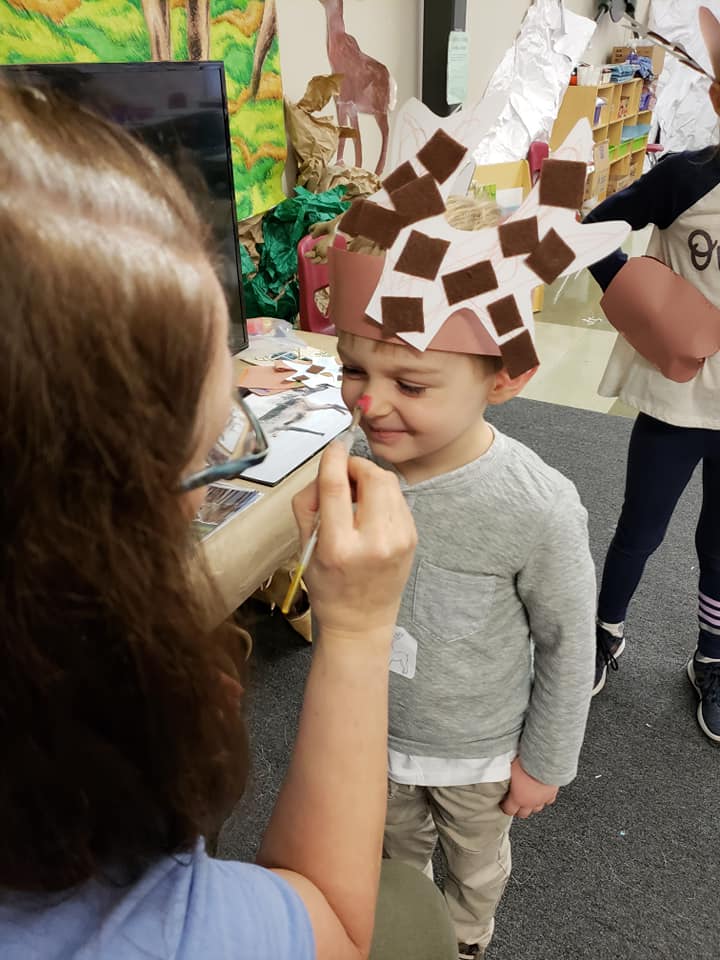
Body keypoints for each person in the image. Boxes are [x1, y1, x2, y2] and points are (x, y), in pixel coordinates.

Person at [0, 82, 462, 960]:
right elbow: (331, 918)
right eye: (212, 441)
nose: (370, 404)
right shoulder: (125, 923)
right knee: (411, 914)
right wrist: (359, 630)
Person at [326, 141, 604, 957]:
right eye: (352, 368)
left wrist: (546, 762)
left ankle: (467, 941)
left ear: (505, 377)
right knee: (390, 860)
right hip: (372, 736)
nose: (371, 404)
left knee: (474, 872)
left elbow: (565, 638)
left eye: (410, 384)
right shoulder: (357, 462)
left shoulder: (539, 507)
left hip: (481, 755)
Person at [584, 6, 720, 744]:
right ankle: (605, 634)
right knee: (641, 527)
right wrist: (646, 303)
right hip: (676, 397)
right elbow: (594, 230)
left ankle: (713, 658)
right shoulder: (685, 177)